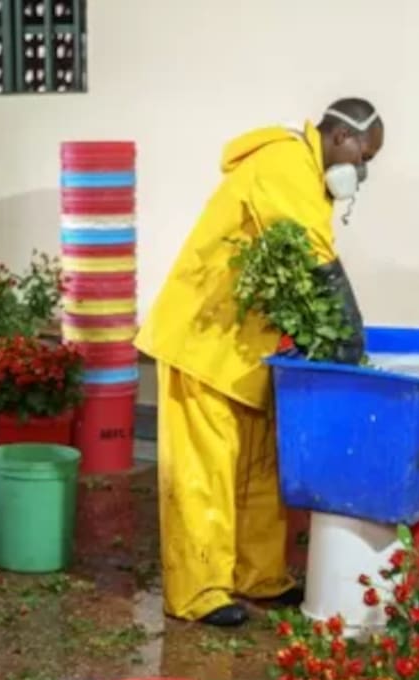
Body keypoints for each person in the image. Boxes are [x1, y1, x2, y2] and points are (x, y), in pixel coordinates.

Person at [134, 98, 384, 627]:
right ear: (339, 136)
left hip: (246, 345)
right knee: (205, 471)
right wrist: (349, 335)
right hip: (203, 336)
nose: (360, 171)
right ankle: (198, 590)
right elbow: (316, 260)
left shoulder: (306, 177)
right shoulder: (286, 162)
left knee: (257, 468)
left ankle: (257, 575)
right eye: (362, 156)